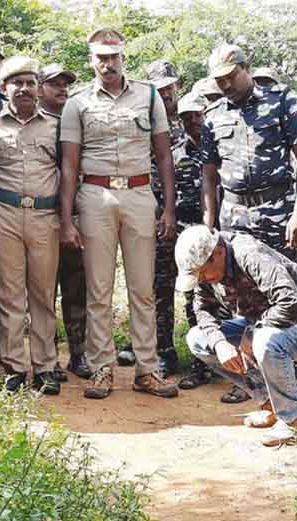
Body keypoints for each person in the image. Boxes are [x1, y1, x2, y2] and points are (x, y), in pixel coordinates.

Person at [59, 27, 179, 399]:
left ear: (122, 57)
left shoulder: (148, 95)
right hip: (95, 196)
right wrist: (67, 219)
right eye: (100, 57)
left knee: (143, 289)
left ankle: (147, 368)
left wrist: (169, 208)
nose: (107, 64)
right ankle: (101, 369)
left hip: (140, 194)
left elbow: (163, 154)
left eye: (113, 57)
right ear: (91, 60)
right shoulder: (76, 103)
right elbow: (68, 165)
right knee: (99, 290)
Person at [201, 43, 297, 404]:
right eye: (219, 80)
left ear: (246, 69)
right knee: (240, 298)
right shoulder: (213, 114)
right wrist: (209, 224)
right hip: (233, 214)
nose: (225, 85)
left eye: (231, 77)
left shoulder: (281, 101)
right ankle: (250, 380)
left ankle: (288, 376)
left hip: (277, 208)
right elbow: (208, 174)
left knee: (279, 292)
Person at [179, 226, 297, 446]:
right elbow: (203, 310)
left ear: (218, 253)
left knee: (264, 340)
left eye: (202, 272)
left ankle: (294, 418)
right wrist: (219, 343)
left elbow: (292, 302)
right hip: (269, 326)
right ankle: (270, 404)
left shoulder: (248, 254)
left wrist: (252, 332)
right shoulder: (208, 273)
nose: (201, 279)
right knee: (199, 339)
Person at [0, 57, 63, 394]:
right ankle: (13, 365)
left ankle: (45, 367)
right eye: (17, 82)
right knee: (10, 294)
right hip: (4, 213)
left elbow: (68, 172)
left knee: (43, 294)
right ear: (4, 88)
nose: (25, 88)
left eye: (30, 82)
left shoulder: (56, 127)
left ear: (39, 88)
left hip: (45, 215)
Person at [117, 60, 186, 376]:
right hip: (151, 215)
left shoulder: (192, 121)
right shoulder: (141, 126)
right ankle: (158, 348)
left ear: (178, 86)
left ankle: (201, 356)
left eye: (169, 87)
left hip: (190, 218)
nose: (165, 93)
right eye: (158, 89)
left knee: (197, 288)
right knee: (153, 283)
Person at [38, 63, 92, 380]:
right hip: (41, 214)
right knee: (43, 290)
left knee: (77, 286)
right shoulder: (32, 122)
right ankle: (47, 357)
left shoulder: (78, 120)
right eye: (53, 84)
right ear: (39, 87)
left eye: (65, 84)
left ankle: (79, 353)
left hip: (76, 214)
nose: (62, 89)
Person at [171, 94, 215, 390]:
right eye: (186, 117)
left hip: (219, 235)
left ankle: (236, 367)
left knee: (230, 302)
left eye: (197, 115)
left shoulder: (222, 147)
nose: (193, 121)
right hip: (188, 234)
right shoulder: (177, 154)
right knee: (194, 302)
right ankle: (202, 367)